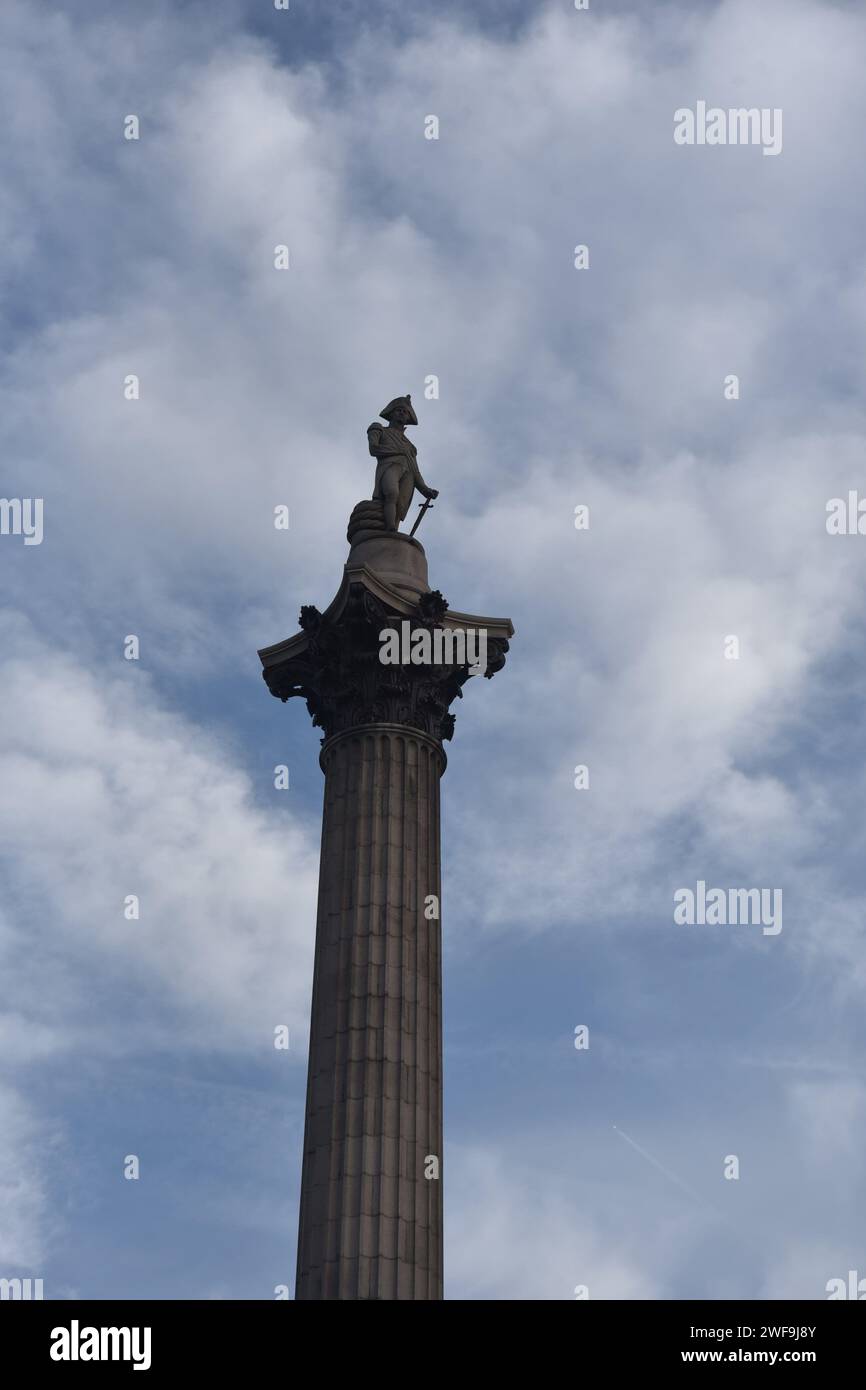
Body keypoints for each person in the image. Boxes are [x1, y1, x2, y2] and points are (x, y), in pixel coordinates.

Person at [367, 395, 438, 532]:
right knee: (391, 493)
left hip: (408, 474)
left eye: (405, 412)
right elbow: (374, 449)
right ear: (391, 412)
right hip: (390, 467)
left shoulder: (410, 446)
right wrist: (398, 451)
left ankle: (393, 532)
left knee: (400, 505)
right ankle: (389, 528)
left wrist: (425, 489)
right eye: (399, 410)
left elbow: (415, 470)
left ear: (408, 418)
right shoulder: (379, 429)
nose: (402, 413)